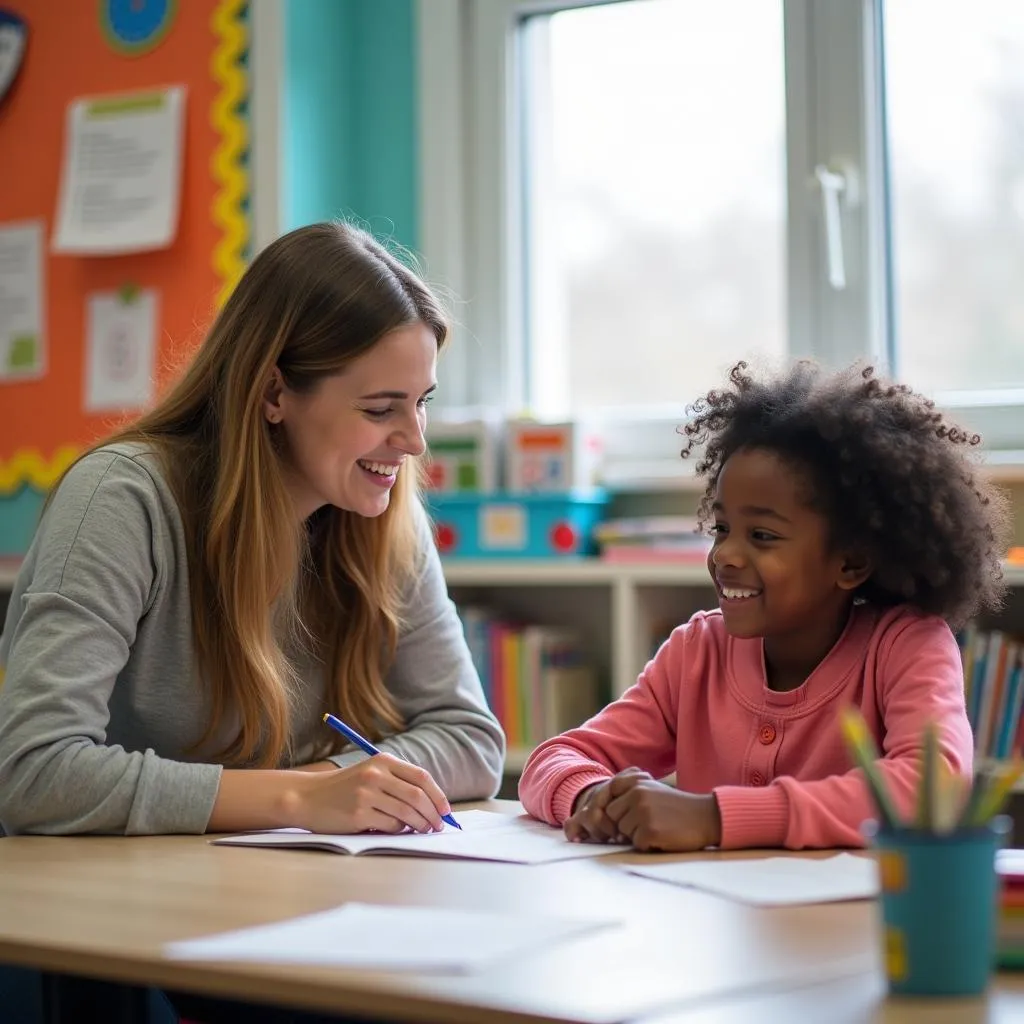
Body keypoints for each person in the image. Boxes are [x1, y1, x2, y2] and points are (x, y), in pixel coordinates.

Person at [0, 221, 505, 842]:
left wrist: (332, 787)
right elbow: (32, 772)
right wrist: (299, 797)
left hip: (274, 879)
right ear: (273, 393)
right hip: (119, 897)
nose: (414, 441)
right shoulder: (119, 501)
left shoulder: (384, 512)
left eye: (421, 400)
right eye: (380, 409)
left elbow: (471, 737)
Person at [519, 360, 1009, 852]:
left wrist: (716, 818)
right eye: (722, 529)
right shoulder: (697, 652)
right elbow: (556, 758)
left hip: (854, 924)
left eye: (763, 536)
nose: (726, 555)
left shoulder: (907, 645)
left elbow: (932, 789)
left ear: (851, 562)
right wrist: (595, 797)